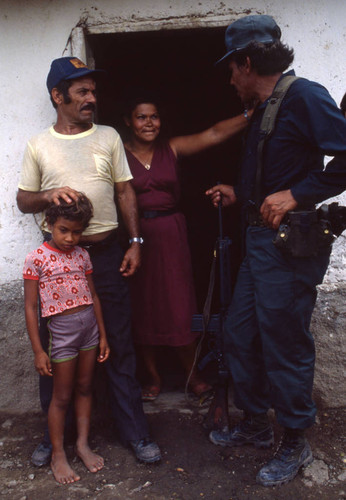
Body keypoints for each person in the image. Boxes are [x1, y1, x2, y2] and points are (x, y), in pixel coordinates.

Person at [206, 15, 346, 487]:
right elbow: (272, 174)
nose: (230, 79)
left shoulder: (304, 95)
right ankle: (254, 422)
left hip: (287, 246)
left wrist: (298, 194)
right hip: (258, 242)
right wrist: (239, 192)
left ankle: (294, 439)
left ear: (247, 63)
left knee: (284, 341)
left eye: (231, 69)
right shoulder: (266, 107)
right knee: (240, 332)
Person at [17, 56, 161, 466]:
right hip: (57, 264)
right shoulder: (39, 145)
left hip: (107, 256)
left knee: (115, 343)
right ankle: (53, 438)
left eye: (93, 91)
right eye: (81, 91)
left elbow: (125, 192)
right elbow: (23, 199)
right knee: (55, 348)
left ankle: (134, 432)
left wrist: (134, 241)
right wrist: (48, 196)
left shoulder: (109, 137)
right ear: (57, 96)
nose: (91, 98)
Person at [123, 96, 251, 401]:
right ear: (129, 121)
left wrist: (252, 113)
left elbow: (214, 134)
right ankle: (152, 378)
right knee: (144, 306)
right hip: (137, 236)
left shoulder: (172, 148)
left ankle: (192, 374)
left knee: (180, 303)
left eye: (154, 116)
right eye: (141, 117)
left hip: (171, 232)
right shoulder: (118, 152)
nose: (149, 123)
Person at [23, 196, 110, 484]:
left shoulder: (83, 256)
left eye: (77, 231)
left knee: (85, 387)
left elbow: (94, 296)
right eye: (63, 230)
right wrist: (38, 350)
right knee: (61, 396)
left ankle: (82, 444)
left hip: (89, 330)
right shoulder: (36, 258)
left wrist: (103, 336)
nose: (70, 238)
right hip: (61, 333)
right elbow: (30, 307)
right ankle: (57, 453)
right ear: (49, 224)